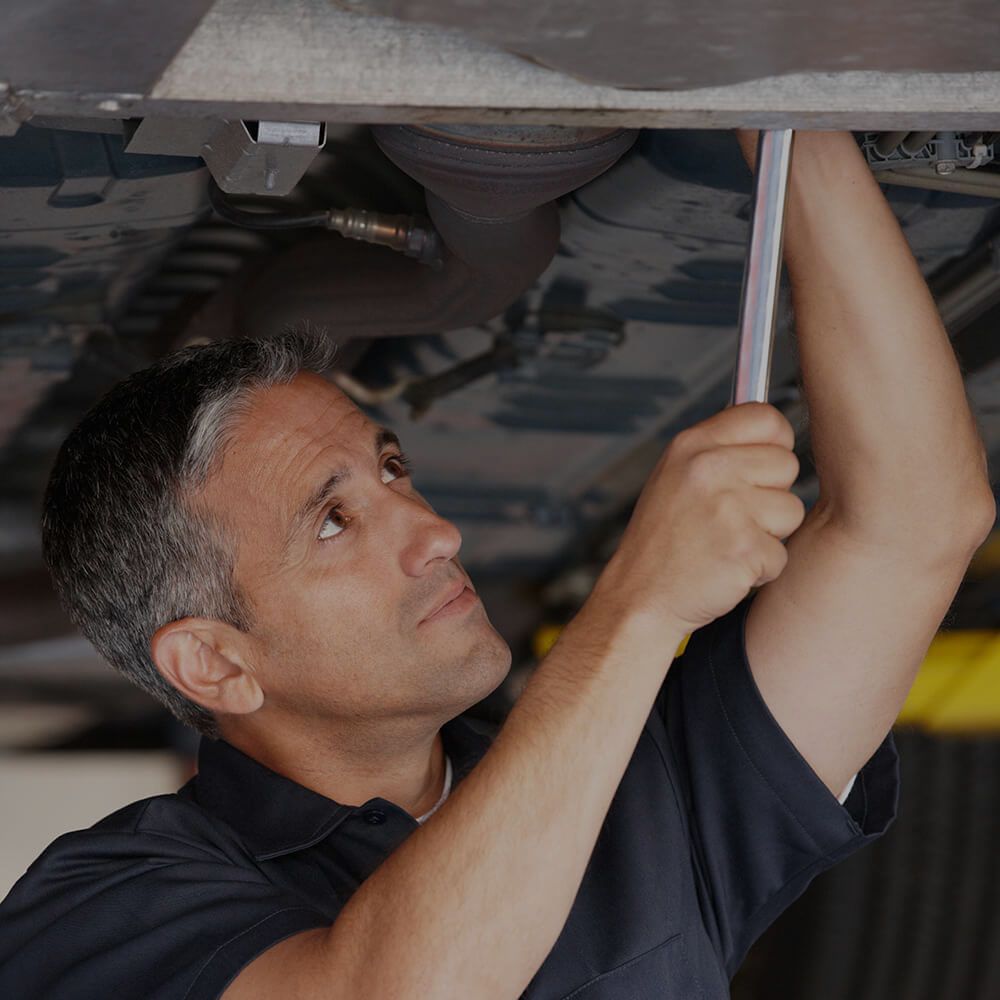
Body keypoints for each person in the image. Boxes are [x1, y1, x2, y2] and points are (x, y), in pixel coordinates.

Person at [0, 129, 993, 1000]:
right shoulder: (104, 910)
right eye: (334, 521)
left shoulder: (630, 782)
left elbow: (912, 521)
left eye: (394, 470)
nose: (436, 531)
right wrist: (634, 608)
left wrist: (786, 113)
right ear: (215, 662)